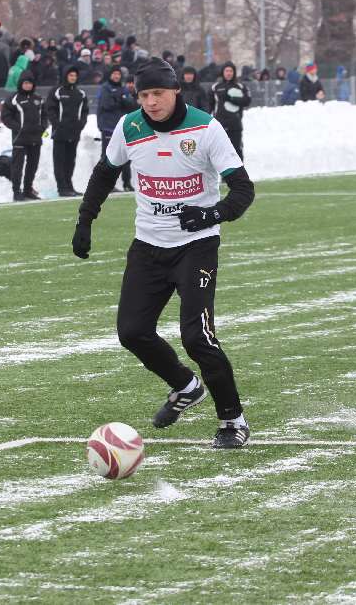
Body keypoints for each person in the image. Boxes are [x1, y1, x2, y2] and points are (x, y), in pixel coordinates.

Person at [71, 58, 256, 448]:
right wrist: (85, 221)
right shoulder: (129, 126)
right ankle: (185, 386)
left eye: (158, 93)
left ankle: (232, 421)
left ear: (175, 92)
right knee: (132, 332)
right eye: (143, 95)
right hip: (148, 245)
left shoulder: (206, 128)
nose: (151, 102)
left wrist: (210, 213)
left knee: (197, 337)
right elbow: (105, 173)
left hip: (197, 247)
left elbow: (243, 190)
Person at [0, 71, 47, 201]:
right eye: (25, 83)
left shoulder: (39, 99)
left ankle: (28, 190)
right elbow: (5, 117)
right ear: (21, 84)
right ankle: (16, 191)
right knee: (17, 166)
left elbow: (45, 115)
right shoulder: (13, 99)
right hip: (19, 139)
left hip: (35, 139)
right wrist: (18, 127)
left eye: (30, 83)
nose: (27, 85)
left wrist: (42, 127)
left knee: (33, 165)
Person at [45, 65, 89, 196]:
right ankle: (62, 187)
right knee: (59, 161)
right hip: (60, 133)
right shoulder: (56, 91)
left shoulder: (80, 94)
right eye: (70, 75)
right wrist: (57, 124)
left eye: (75, 76)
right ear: (66, 76)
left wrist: (81, 124)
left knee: (71, 160)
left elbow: (85, 111)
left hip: (74, 133)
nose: (73, 78)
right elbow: (50, 109)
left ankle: (69, 186)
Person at [97, 65, 139, 190]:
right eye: (114, 74)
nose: (116, 76)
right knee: (108, 156)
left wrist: (120, 99)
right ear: (110, 75)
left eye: (118, 74)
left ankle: (127, 183)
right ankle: (106, 184)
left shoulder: (122, 88)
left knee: (125, 156)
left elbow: (131, 105)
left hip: (122, 128)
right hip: (109, 127)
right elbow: (107, 105)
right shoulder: (105, 88)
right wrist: (120, 99)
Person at [210, 61, 252, 159]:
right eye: (226, 71)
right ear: (223, 72)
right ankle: (224, 173)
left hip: (235, 124)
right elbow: (210, 105)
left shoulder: (241, 86)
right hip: (220, 125)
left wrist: (230, 98)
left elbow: (247, 101)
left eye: (231, 71)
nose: (229, 73)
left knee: (237, 150)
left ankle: (239, 172)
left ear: (234, 73)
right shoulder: (215, 87)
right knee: (221, 151)